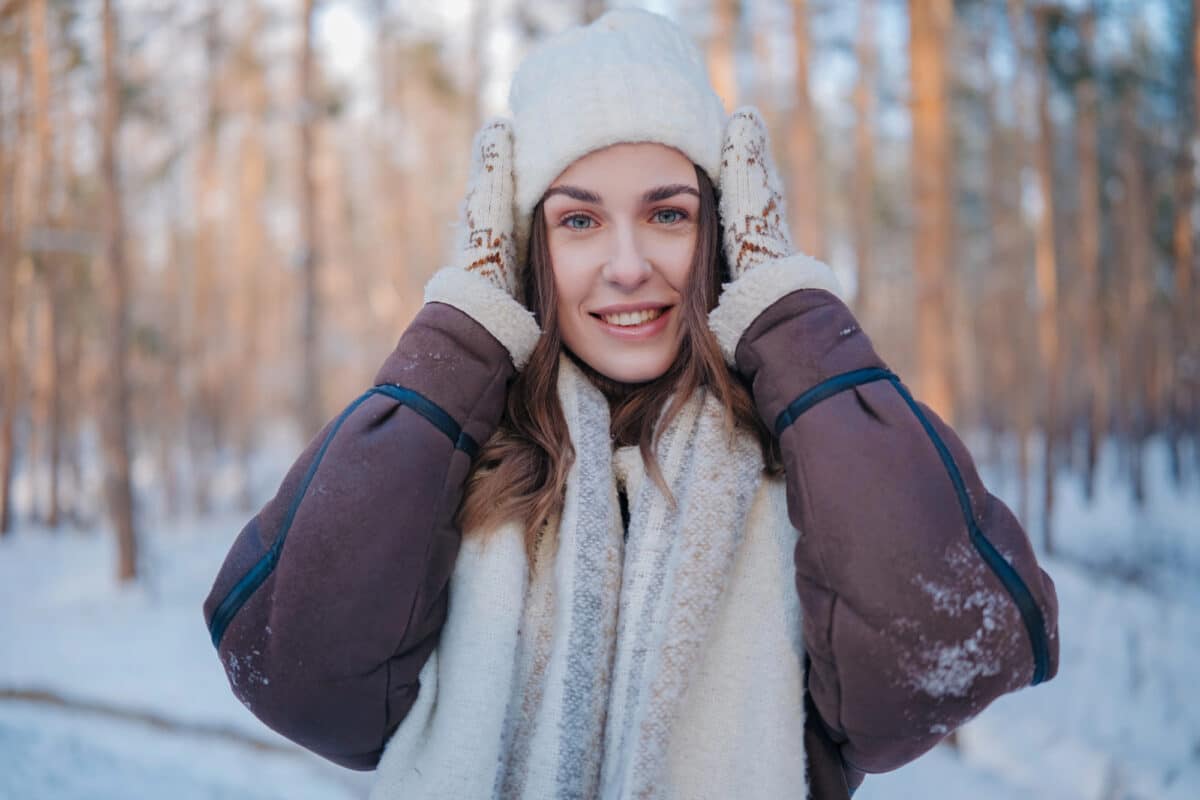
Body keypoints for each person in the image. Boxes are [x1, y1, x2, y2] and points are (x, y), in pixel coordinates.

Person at [203, 10, 1059, 799]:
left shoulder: (803, 468)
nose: (625, 264)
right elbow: (297, 673)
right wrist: (461, 328)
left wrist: (786, 310)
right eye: (578, 222)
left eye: (667, 215)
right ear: (528, 249)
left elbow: (941, 655)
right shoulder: (457, 471)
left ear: (721, 235)